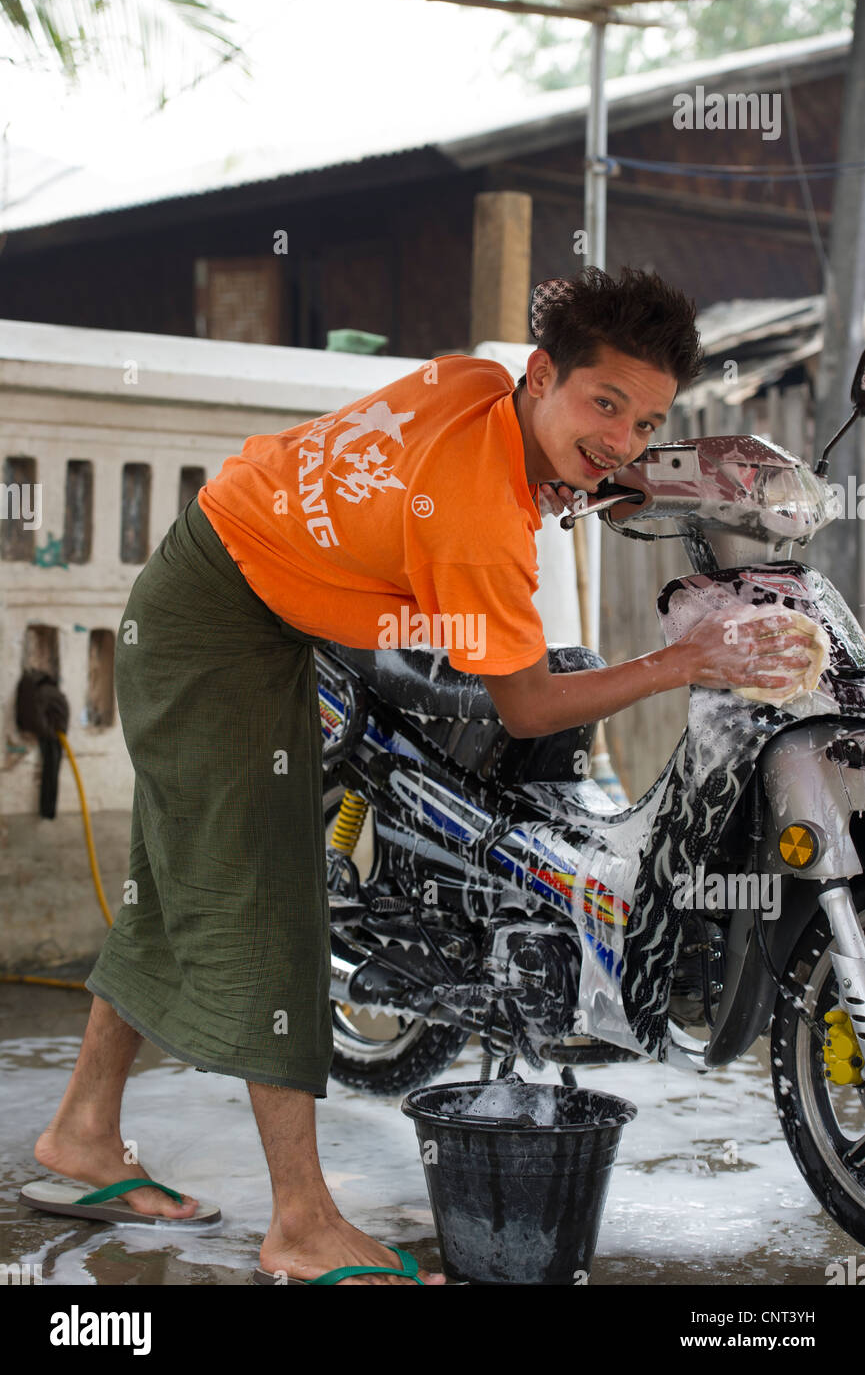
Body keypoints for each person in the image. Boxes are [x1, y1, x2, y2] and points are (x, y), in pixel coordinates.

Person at [24, 267, 818, 1286]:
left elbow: (544, 475)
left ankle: (83, 1132)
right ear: (543, 377)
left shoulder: (479, 387)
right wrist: (683, 660)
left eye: (646, 417)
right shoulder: (478, 517)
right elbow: (527, 705)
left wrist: (603, 468)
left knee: (172, 882)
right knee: (268, 902)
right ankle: (302, 1223)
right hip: (219, 630)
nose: (621, 437)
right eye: (602, 404)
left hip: (230, 580)